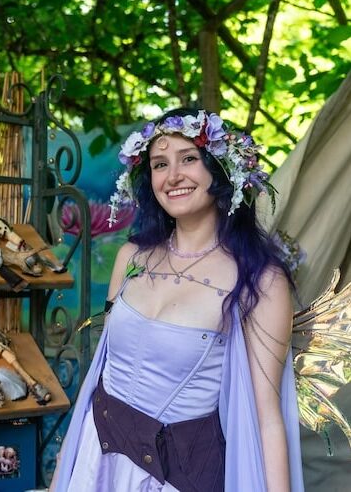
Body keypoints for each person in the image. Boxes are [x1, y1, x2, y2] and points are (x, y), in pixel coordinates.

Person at [51, 108, 304, 491]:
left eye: (188, 159)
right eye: (159, 164)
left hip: (178, 476)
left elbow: (267, 418)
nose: (173, 176)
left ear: (221, 169)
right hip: (95, 458)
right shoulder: (131, 257)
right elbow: (99, 375)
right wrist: (64, 469)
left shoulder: (260, 281)